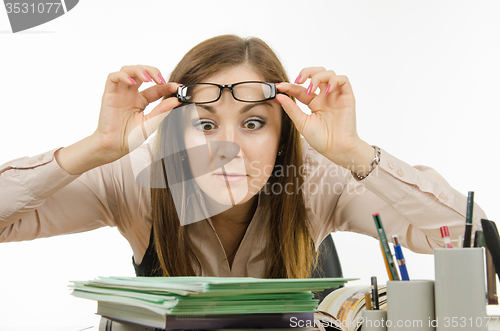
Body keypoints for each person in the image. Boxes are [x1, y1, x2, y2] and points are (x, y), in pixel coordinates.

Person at [0, 35, 485, 279]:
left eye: (253, 123)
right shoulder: (134, 180)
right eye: (204, 123)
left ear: (284, 134)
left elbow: (470, 240)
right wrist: (97, 147)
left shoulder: (320, 180)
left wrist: (355, 153)